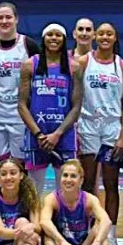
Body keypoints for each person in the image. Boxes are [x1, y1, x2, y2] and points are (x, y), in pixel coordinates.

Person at [76, 21, 123, 245]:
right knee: (88, 182)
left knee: (111, 183)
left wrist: (122, 136)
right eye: (101, 34)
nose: (105, 37)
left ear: (115, 37)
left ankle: (110, 236)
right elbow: (75, 97)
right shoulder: (84, 62)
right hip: (88, 125)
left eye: (110, 34)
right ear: (95, 37)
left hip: (111, 128)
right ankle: (89, 233)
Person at [19, 23, 84, 193]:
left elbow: (76, 106)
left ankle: (62, 213)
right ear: (43, 38)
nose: (54, 38)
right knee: (33, 191)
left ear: (64, 39)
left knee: (66, 188)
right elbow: (22, 105)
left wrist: (57, 134)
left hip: (64, 134)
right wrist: (38, 134)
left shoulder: (74, 67)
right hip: (36, 135)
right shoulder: (29, 65)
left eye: (58, 35)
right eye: (50, 34)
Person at [0, 2, 39, 161]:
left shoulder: (29, 45)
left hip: (21, 116)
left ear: (16, 19)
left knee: (20, 164)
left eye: (8, 17)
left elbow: (39, 80)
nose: (4, 21)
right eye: (0, 18)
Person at [39, 160, 114, 245]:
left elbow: (107, 221)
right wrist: (63, 242)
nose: (68, 179)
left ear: (81, 180)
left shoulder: (90, 199)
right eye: (65, 175)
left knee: (101, 226)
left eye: (73, 176)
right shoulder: (52, 198)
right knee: (47, 231)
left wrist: (96, 244)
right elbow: (44, 221)